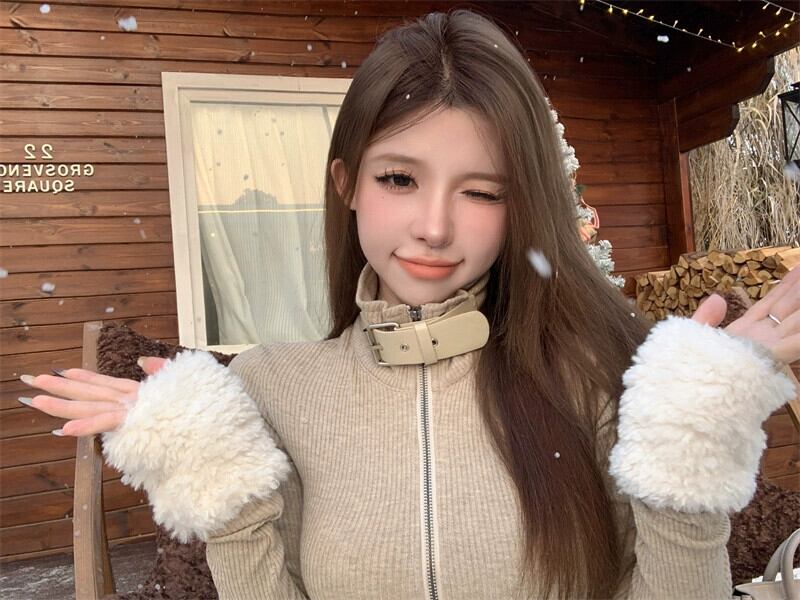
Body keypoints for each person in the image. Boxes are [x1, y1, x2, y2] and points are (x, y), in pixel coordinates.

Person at [18, 9, 800, 600]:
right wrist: (221, 486)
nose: (434, 226)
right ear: (347, 185)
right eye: (399, 178)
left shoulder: (604, 377)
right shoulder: (268, 387)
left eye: (482, 191)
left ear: (522, 207)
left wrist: (690, 447)